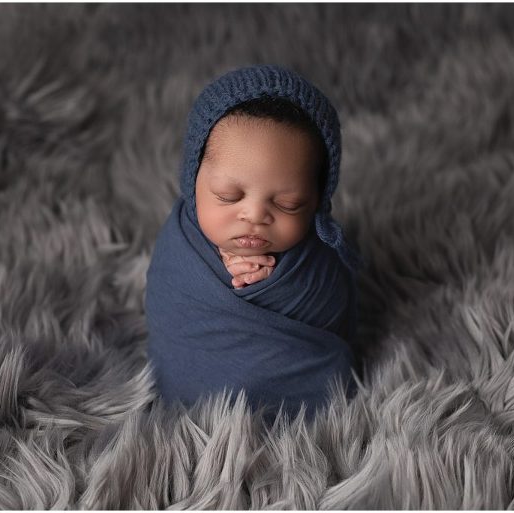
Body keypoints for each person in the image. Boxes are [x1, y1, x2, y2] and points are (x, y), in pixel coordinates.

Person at [145, 64, 362, 422]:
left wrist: (284, 287)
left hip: (305, 412)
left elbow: (337, 310)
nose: (255, 215)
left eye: (288, 204)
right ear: (192, 182)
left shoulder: (319, 258)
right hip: (186, 412)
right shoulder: (178, 247)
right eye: (229, 196)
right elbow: (168, 312)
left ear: (318, 200)